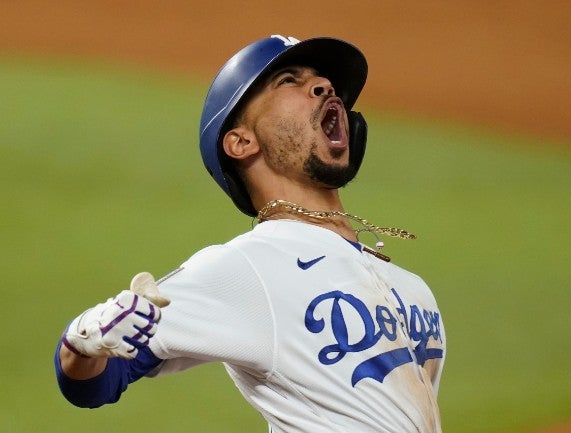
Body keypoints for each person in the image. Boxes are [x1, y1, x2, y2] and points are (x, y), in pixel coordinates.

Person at [54, 34, 446, 433]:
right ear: (241, 142)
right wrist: (84, 337)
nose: (325, 86)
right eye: (288, 80)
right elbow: (95, 381)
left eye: (323, 81)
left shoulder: (412, 289)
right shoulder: (250, 267)